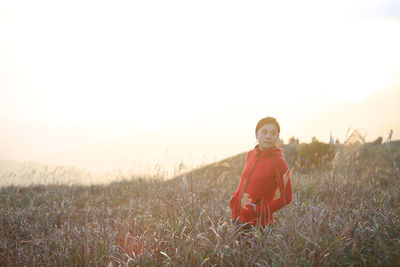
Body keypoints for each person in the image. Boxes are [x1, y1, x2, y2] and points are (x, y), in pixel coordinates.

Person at [230, 117, 293, 231]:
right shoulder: (250, 155)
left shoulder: (279, 162)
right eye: (264, 132)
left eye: (273, 133)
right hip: (238, 218)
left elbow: (287, 197)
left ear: (277, 137)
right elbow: (244, 181)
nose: (268, 136)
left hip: (260, 224)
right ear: (256, 134)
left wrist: (263, 211)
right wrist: (234, 199)